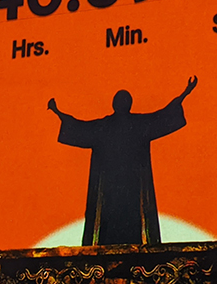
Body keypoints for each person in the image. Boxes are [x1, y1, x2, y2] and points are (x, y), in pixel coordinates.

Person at [48, 76, 198, 246]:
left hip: (121, 187)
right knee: (118, 220)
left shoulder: (112, 126)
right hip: (120, 187)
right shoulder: (131, 125)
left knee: (123, 220)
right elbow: (163, 115)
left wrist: (185, 93)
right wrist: (57, 112)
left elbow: (78, 126)